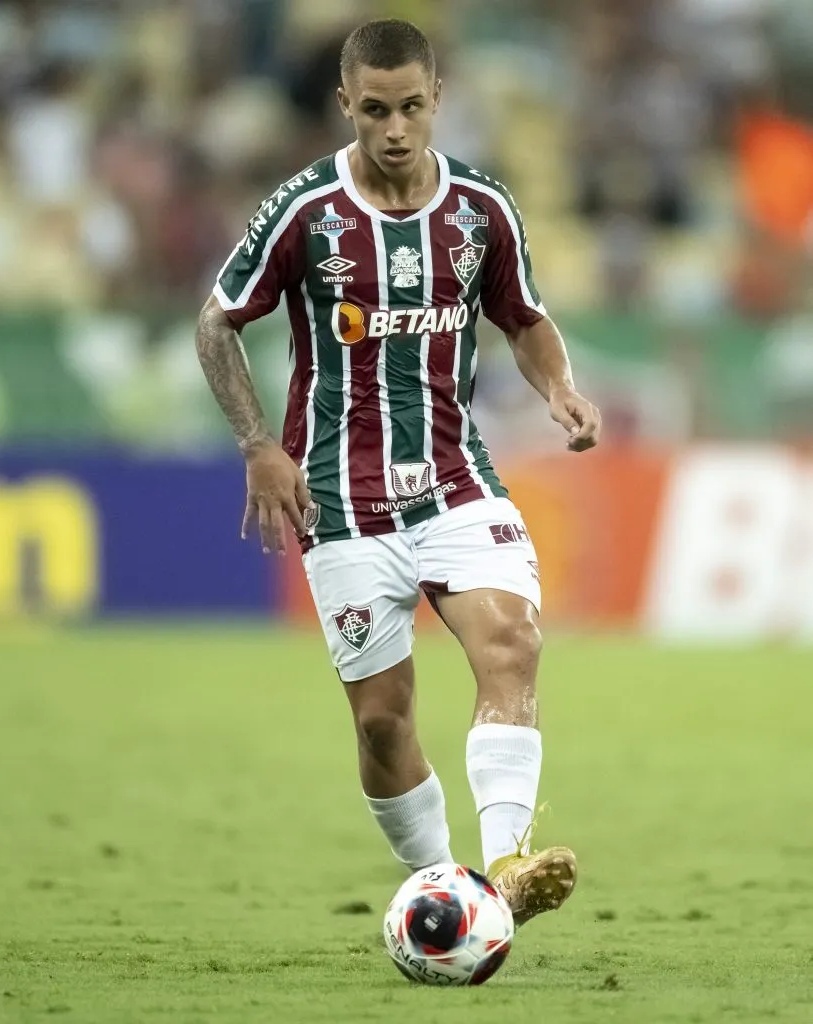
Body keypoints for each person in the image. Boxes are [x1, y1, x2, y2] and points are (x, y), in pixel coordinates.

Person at [195, 19, 601, 928]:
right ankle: (443, 883)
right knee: (382, 721)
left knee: (512, 644)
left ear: (436, 100)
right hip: (339, 500)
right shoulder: (305, 211)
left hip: (456, 479)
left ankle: (504, 868)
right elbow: (217, 321)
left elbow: (524, 317)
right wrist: (259, 443)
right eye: (374, 109)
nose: (393, 128)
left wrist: (559, 390)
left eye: (410, 107)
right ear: (346, 104)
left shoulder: (482, 209)